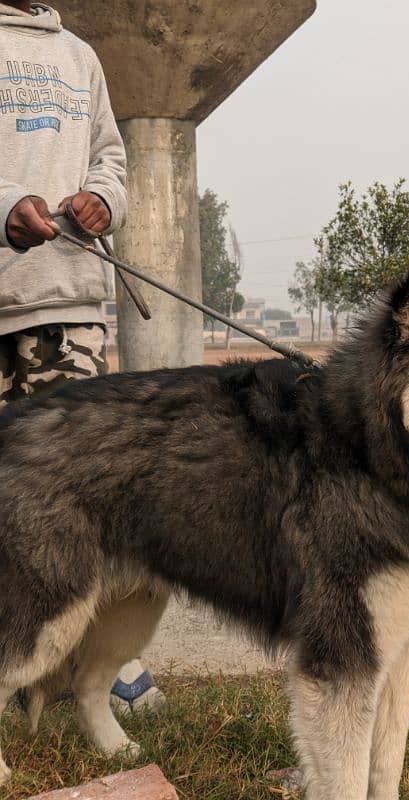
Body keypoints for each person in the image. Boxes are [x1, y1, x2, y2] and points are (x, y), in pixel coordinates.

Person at [0, 1, 164, 712]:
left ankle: (86, 662)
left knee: (76, 501)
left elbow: (111, 157)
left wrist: (102, 199)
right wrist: (8, 205)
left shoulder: (81, 56)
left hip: (67, 308)